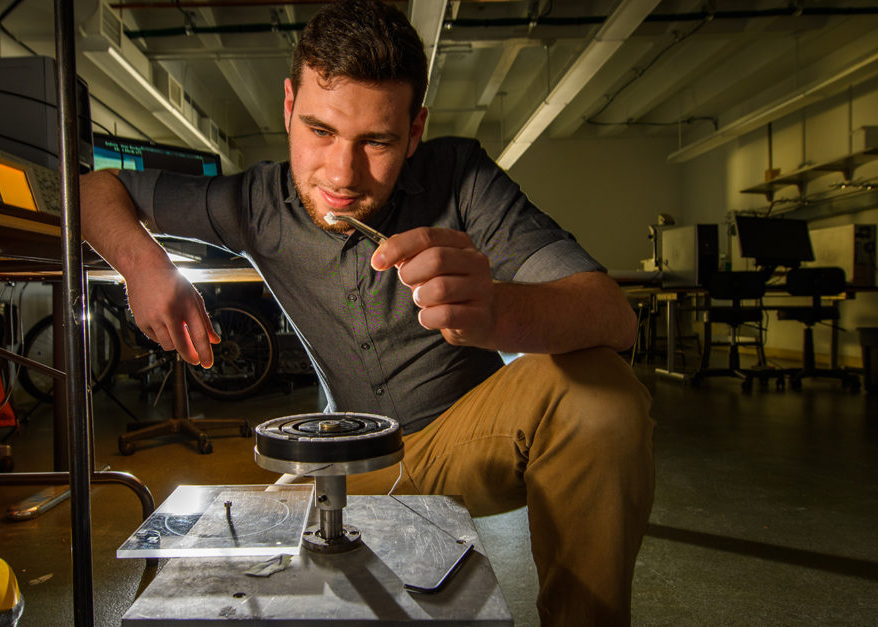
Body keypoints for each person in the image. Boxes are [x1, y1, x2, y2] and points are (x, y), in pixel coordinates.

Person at [80, 0, 654, 623]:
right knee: (233, 588)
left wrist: (496, 311)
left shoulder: (461, 177)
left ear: (413, 131)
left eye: (376, 141)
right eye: (320, 131)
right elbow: (93, 189)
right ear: (288, 107)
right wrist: (146, 264)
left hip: (465, 442)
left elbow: (611, 316)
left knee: (602, 397)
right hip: (345, 459)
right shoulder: (256, 202)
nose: (341, 174)